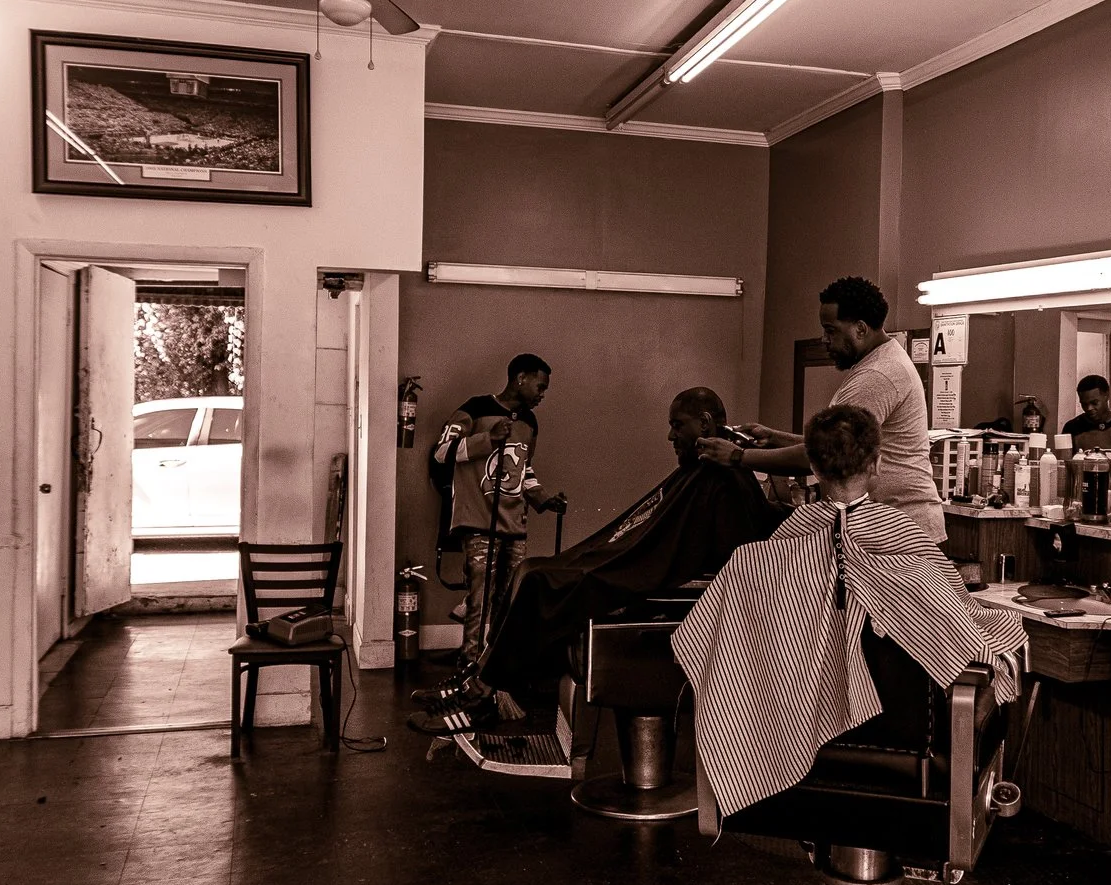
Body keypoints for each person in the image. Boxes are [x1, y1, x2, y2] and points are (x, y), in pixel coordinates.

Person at [674, 405, 1025, 828]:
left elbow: (711, 644)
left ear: (815, 470)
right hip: (905, 749)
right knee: (1002, 636)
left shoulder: (756, 560)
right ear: (877, 465)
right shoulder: (910, 549)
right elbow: (960, 629)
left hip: (775, 736)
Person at [459, 388, 784, 730]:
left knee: (543, 581)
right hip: (633, 561)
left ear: (704, 424)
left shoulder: (723, 479)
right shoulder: (702, 471)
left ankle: (483, 691)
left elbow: (725, 557)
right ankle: (482, 677)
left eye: (677, 425)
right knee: (531, 568)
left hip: (659, 584)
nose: (670, 434)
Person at [698, 276, 945, 542]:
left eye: (830, 330)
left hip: (902, 534)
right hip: (893, 528)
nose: (824, 339)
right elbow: (836, 447)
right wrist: (774, 438)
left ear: (860, 329)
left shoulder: (877, 376)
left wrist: (738, 457)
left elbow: (829, 456)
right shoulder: (881, 363)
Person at [414, 354, 564, 720]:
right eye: (540, 385)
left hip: (515, 526)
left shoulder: (529, 422)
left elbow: (523, 470)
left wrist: (543, 498)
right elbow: (441, 454)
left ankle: (496, 677)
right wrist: (484, 440)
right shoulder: (474, 409)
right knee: (479, 604)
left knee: (509, 603)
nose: (543, 394)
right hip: (479, 522)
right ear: (520, 377)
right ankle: (469, 676)